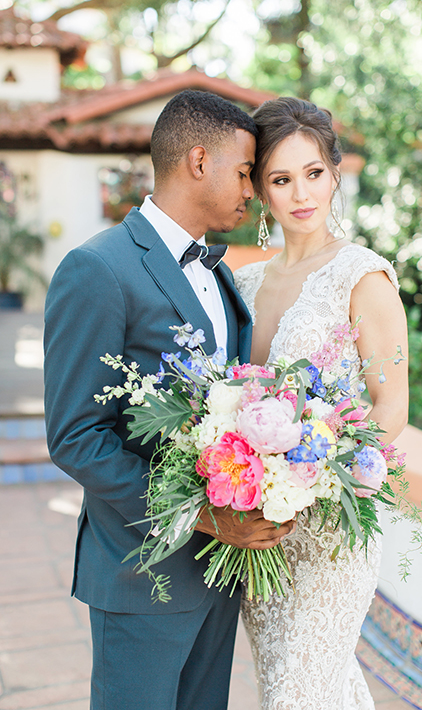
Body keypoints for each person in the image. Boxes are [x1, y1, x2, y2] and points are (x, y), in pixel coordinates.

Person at [43, 90, 295, 710]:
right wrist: (198, 516)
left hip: (218, 569)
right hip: (142, 570)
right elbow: (75, 435)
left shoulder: (220, 274)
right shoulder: (96, 269)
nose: (251, 191)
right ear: (200, 161)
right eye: (244, 172)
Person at [234, 97, 409, 709]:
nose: (301, 193)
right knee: (312, 688)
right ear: (261, 190)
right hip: (261, 530)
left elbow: (391, 408)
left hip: (330, 531)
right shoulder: (245, 283)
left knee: (296, 694)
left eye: (313, 173)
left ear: (335, 173)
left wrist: (316, 478)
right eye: (281, 179)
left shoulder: (363, 276)